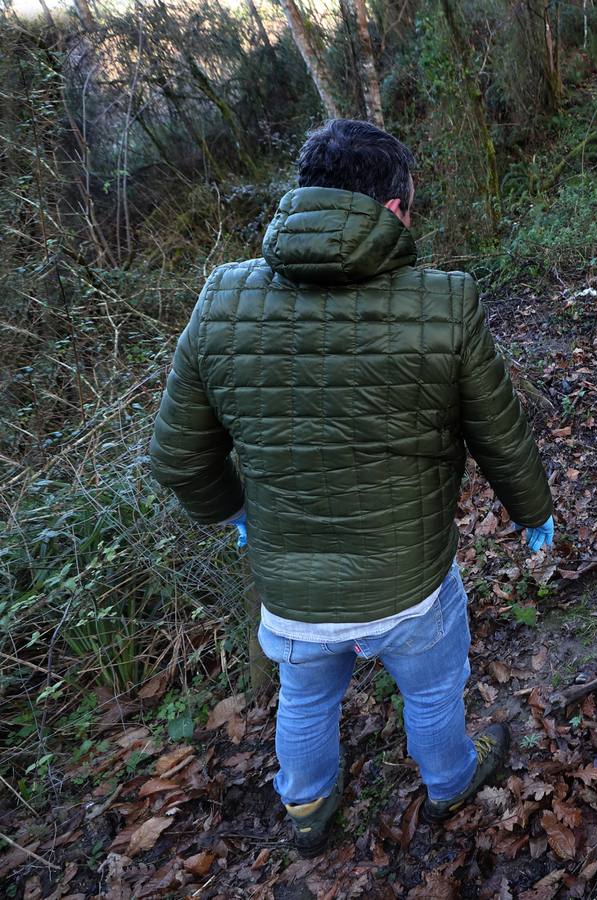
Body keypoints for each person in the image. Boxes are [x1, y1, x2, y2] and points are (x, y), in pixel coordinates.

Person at [148, 119, 555, 857]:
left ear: (302, 194)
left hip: (292, 589)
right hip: (410, 583)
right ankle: (451, 781)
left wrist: (234, 510)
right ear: (396, 209)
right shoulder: (445, 300)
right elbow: (499, 432)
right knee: (432, 690)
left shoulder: (223, 298)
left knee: (304, 697)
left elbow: (177, 458)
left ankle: (305, 807)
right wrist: (534, 512)